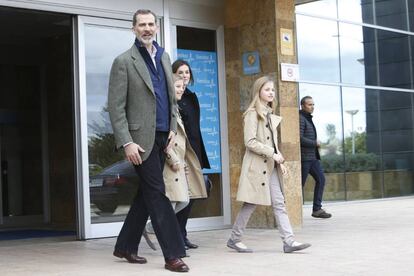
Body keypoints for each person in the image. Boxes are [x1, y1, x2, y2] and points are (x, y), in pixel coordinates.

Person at [107, 9, 189, 273]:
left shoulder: (164, 57)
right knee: (157, 192)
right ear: (133, 29)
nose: (147, 28)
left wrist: (173, 126)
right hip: (140, 140)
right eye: (141, 24)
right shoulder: (123, 61)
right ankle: (173, 254)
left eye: (151, 24)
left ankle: (126, 246)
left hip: (164, 135)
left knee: (146, 194)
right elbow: (116, 107)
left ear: (156, 27)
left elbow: (170, 98)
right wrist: (126, 142)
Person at [227, 76, 311, 254]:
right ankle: (234, 239)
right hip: (257, 167)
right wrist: (272, 153)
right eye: (267, 89)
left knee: (279, 202)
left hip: (270, 166)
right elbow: (249, 141)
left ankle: (289, 241)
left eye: (273, 90)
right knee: (250, 203)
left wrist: (279, 158)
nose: (271, 92)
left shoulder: (269, 114)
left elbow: (272, 142)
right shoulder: (252, 114)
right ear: (258, 92)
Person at [172, 59, 211, 250]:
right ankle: (176, 235)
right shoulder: (173, 96)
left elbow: (196, 126)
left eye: (187, 72)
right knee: (182, 196)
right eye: (180, 72)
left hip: (195, 151)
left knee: (192, 194)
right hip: (182, 152)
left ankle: (182, 234)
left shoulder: (192, 97)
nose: (184, 75)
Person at [164, 75, 207, 214]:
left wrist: (183, 163)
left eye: (183, 87)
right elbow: (163, 139)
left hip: (180, 162)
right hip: (170, 163)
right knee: (175, 201)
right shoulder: (164, 110)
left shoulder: (175, 109)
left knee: (183, 200)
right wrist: (174, 160)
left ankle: (152, 226)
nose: (181, 90)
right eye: (178, 86)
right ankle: (162, 231)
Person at [299, 96, 332, 219]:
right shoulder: (301, 118)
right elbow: (299, 138)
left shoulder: (307, 118)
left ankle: (317, 209)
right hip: (304, 158)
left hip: (312, 158)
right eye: (309, 105)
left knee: (321, 179)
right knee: (299, 185)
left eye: (313, 105)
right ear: (302, 105)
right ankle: (290, 211)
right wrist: (315, 143)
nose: (312, 107)